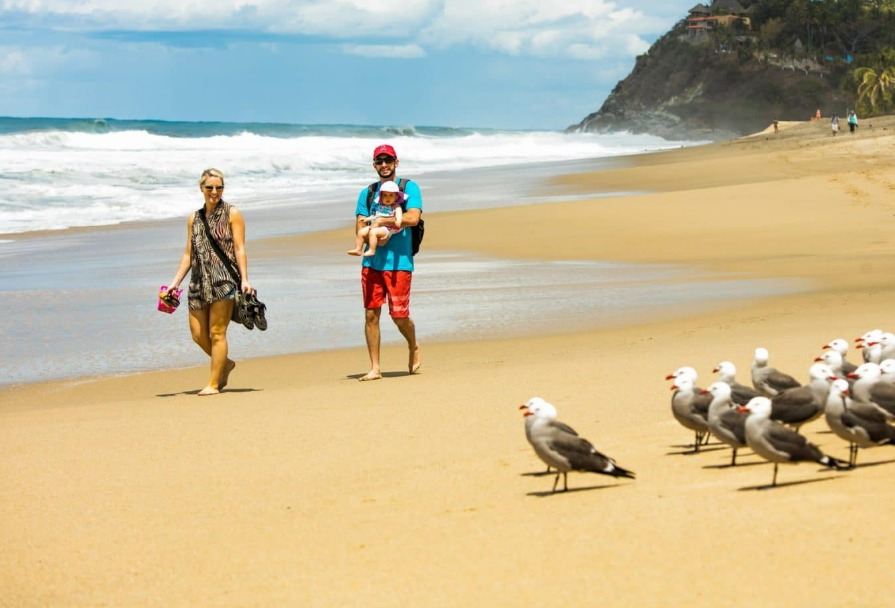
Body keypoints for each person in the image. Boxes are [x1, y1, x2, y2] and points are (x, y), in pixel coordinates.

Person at [164, 168, 254, 396]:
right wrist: (175, 283)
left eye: (219, 187)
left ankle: (213, 384)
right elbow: (188, 254)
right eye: (210, 187)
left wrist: (244, 279)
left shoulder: (232, 213)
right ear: (201, 188)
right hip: (197, 282)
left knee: (217, 333)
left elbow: (240, 249)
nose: (215, 192)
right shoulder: (193, 218)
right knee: (197, 334)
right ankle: (226, 364)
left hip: (223, 280)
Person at [354, 144, 422, 381]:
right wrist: (367, 237)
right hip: (371, 263)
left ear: (396, 162)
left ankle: (413, 345)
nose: (384, 165)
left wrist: (386, 221)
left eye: (388, 161)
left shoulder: (408, 187)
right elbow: (360, 223)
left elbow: (413, 218)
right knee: (371, 314)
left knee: (399, 316)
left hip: (400, 262)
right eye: (379, 162)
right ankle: (375, 368)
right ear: (374, 165)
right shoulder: (368, 193)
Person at [347, 180, 404, 257]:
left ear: (396, 196)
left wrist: (398, 221)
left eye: (391, 195)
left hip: (387, 229)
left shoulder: (395, 206)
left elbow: (399, 214)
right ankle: (358, 249)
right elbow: (375, 215)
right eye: (385, 195)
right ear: (381, 196)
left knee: (373, 232)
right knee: (361, 232)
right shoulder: (379, 206)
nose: (388, 197)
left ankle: (372, 250)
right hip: (376, 225)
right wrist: (367, 219)